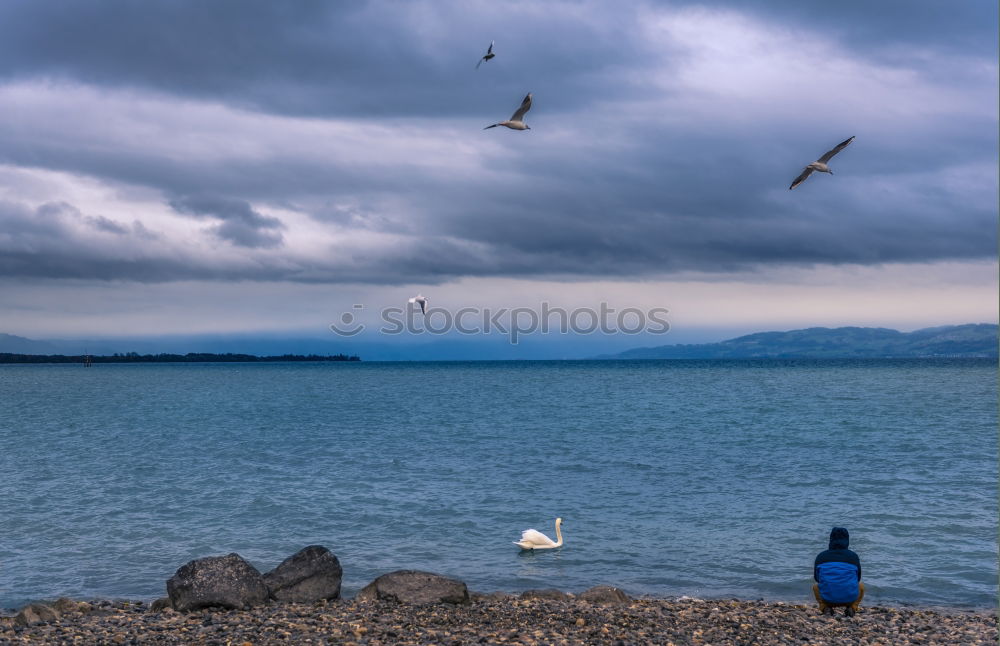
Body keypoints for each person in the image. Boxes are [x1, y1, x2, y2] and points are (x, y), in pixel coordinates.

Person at [813, 526, 864, 616]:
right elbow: (857, 578)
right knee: (861, 586)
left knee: (815, 587)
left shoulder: (821, 556)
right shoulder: (853, 556)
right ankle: (852, 607)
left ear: (831, 539)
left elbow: (817, 579)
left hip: (827, 599)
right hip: (849, 599)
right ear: (847, 540)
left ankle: (825, 608)